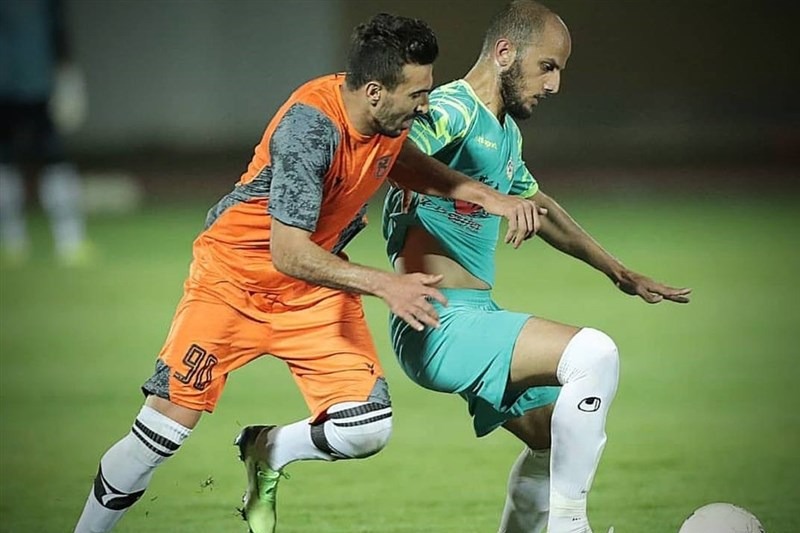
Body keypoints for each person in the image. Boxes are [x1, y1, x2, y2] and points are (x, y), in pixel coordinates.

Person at [72, 12, 542, 533]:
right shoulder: (310, 129)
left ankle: (266, 449)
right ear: (374, 93)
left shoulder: (386, 117)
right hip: (234, 283)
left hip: (313, 290)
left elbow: (405, 163)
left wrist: (488, 197)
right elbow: (288, 252)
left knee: (366, 429)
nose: (426, 105)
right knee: (159, 437)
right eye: (417, 94)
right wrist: (386, 285)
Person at [382, 1, 692, 532]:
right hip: (436, 318)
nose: (554, 85)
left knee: (553, 441)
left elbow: (538, 207)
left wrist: (619, 272)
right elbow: (395, 156)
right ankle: (571, 526)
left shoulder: (504, 133)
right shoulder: (453, 108)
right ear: (504, 52)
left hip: (473, 314)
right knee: (594, 354)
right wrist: (490, 198)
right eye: (547, 66)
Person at [0, 0, 90, 266]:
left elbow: (57, 27)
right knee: (10, 160)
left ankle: (69, 240)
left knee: (54, 159)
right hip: (19, 82)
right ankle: (12, 241)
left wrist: (66, 74)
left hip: (38, 83)